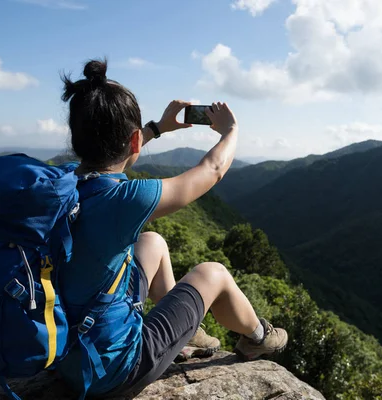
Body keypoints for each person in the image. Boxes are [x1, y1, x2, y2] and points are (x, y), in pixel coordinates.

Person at [56, 59, 288, 398]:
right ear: (134, 142)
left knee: (151, 242)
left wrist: (157, 128)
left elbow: (116, 153)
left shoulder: (63, 182)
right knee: (213, 273)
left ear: (77, 141)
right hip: (113, 369)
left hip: (66, 350)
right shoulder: (124, 199)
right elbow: (212, 169)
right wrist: (231, 132)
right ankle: (259, 338)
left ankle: (186, 335)